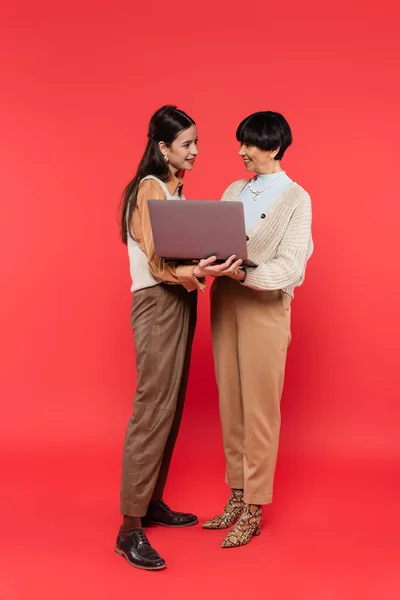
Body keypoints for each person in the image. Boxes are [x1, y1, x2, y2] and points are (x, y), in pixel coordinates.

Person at [116, 105, 242, 570]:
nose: (196, 151)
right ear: (163, 147)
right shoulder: (149, 189)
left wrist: (207, 266)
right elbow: (156, 264)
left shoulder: (173, 192)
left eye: (195, 142)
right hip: (156, 305)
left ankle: (150, 504)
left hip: (179, 301)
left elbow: (178, 256)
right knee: (152, 409)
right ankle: (128, 529)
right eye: (187, 144)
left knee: (170, 405)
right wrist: (196, 270)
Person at [202, 111, 313, 548]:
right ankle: (236, 494)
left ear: (273, 146)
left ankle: (254, 506)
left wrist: (247, 273)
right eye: (241, 142)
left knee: (260, 409)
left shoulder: (297, 198)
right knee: (230, 403)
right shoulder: (234, 190)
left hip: (265, 306)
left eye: (248, 144)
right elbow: (218, 238)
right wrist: (206, 260)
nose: (240, 151)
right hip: (225, 300)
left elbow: (292, 266)